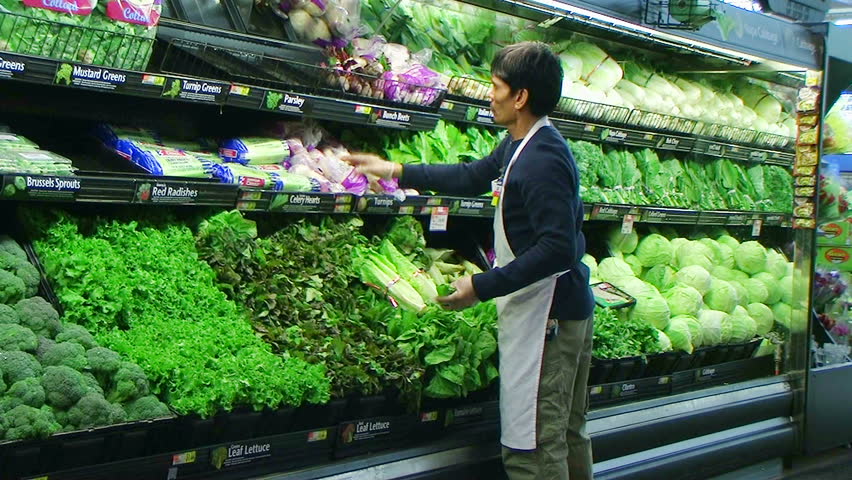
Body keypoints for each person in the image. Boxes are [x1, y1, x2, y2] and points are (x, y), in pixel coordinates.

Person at [346, 42, 595, 480]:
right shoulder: (522, 143)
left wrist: (481, 287)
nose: (488, 94)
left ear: (520, 97)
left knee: (534, 447)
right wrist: (397, 171)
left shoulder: (543, 159)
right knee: (565, 433)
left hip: (549, 318)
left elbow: (558, 247)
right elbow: (472, 176)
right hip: (547, 309)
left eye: (496, 86)